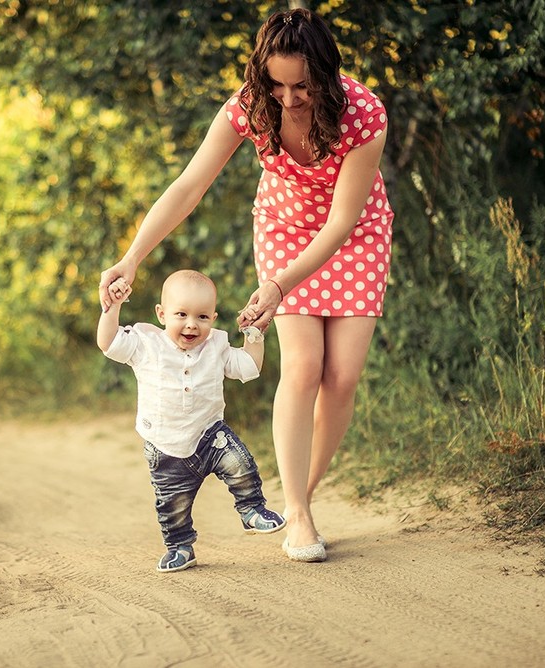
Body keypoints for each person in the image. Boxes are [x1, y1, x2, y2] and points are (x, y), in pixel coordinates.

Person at [99, 8, 393, 563]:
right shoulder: (249, 107)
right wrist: (132, 258)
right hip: (283, 228)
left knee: (343, 376)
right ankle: (300, 517)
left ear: (327, 74)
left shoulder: (365, 114)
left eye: (301, 86)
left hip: (352, 234)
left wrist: (280, 284)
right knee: (304, 367)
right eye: (277, 85)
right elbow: (189, 185)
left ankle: (302, 494)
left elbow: (341, 223)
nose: (287, 98)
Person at [97, 269, 286, 572]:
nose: (191, 324)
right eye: (181, 314)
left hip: (211, 436)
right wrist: (112, 306)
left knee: (240, 464)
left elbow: (249, 366)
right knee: (172, 506)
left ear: (213, 317)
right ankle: (180, 547)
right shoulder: (146, 344)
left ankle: (252, 509)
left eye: (202, 317)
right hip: (165, 445)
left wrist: (254, 332)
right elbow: (108, 343)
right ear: (161, 314)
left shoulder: (217, 346)